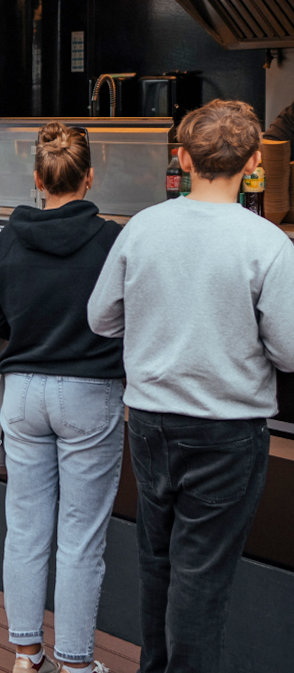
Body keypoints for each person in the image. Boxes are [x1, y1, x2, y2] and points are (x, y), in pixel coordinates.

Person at [88, 99, 294, 673]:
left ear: (180, 157)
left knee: (158, 562)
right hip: (227, 433)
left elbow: (101, 319)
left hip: (150, 424)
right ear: (253, 163)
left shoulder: (141, 228)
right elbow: (290, 351)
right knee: (201, 577)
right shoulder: (270, 244)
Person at [0, 123, 124, 673]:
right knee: (81, 535)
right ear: (89, 177)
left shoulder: (10, 237)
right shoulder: (111, 240)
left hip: (23, 395)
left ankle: (26, 653)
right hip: (90, 396)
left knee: (27, 525)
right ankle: (77, 662)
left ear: (38, 179)